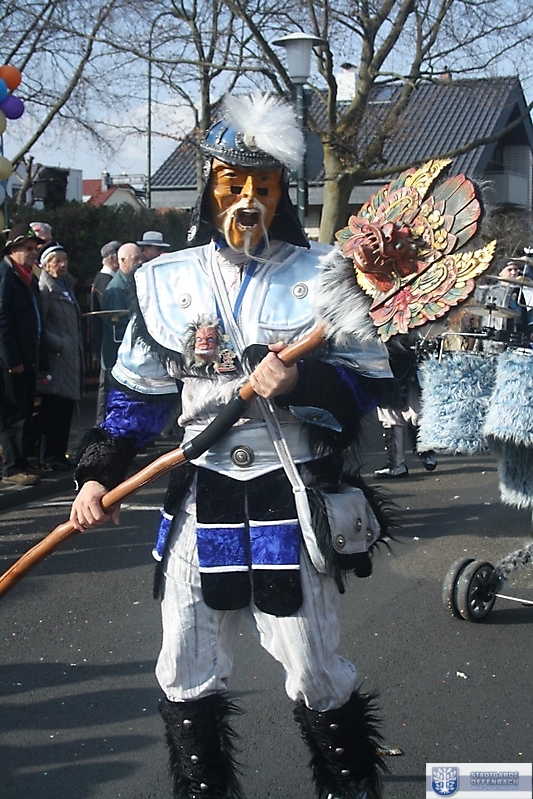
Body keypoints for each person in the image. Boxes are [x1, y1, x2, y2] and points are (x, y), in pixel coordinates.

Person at [69, 93, 394, 799]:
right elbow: (135, 396)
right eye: (232, 183)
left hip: (292, 494)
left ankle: (350, 789)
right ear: (209, 188)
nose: (247, 199)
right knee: (183, 664)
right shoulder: (164, 281)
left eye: (263, 185)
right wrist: (98, 474)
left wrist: (302, 379)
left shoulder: (326, 275)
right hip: (201, 494)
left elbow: (372, 384)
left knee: (312, 665)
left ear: (283, 191)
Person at [0, 222, 46, 486]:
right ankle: (12, 468)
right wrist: (12, 359)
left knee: (25, 411)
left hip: (28, 357)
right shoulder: (6, 276)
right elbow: (2, 321)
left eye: (34, 248)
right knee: (13, 413)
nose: (32, 252)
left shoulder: (28, 277)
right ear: (13, 250)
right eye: (27, 248)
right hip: (12, 361)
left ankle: (22, 461)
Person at [37, 244, 84, 470]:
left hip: (70, 356)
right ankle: (47, 457)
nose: (63, 265)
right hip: (57, 357)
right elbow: (41, 323)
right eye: (57, 261)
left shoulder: (66, 286)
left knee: (66, 407)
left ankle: (60, 454)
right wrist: (59, 344)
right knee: (53, 408)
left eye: (65, 260)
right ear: (46, 265)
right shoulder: (45, 288)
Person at [374, 333, 438, 478]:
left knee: (404, 412)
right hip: (396, 353)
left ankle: (402, 463)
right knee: (405, 410)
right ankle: (423, 454)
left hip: (395, 354)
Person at [98, 242, 143, 416]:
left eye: (141, 258)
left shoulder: (130, 284)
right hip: (117, 357)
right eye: (136, 259)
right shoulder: (116, 289)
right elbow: (117, 328)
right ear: (122, 261)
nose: (140, 262)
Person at [90, 240, 121, 423]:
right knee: (107, 385)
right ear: (112, 258)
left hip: (106, 340)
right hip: (107, 341)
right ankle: (101, 423)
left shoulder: (106, 279)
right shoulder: (105, 281)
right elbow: (110, 315)